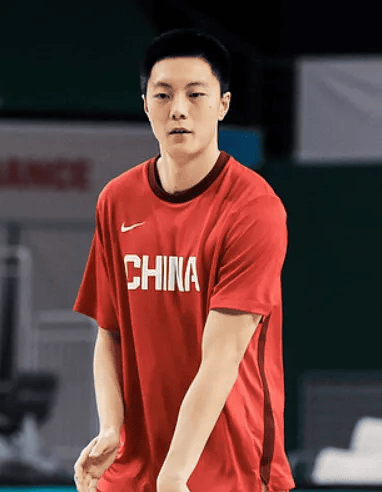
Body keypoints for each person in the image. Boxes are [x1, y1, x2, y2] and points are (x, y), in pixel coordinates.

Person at [72, 28, 296, 492]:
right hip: (135, 471)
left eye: (195, 94)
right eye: (163, 94)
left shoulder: (253, 208)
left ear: (223, 105)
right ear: (146, 105)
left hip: (229, 472)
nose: (178, 109)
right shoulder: (117, 200)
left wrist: (175, 474)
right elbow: (110, 333)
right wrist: (111, 429)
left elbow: (222, 356)